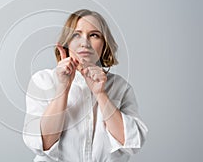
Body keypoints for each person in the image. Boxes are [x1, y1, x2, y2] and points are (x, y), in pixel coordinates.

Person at [23, 9, 148, 162]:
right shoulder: (43, 81)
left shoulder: (121, 87)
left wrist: (101, 94)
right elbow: (43, 144)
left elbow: (131, 144)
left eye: (94, 35)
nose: (85, 43)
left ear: (104, 45)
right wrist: (63, 88)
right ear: (67, 43)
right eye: (76, 34)